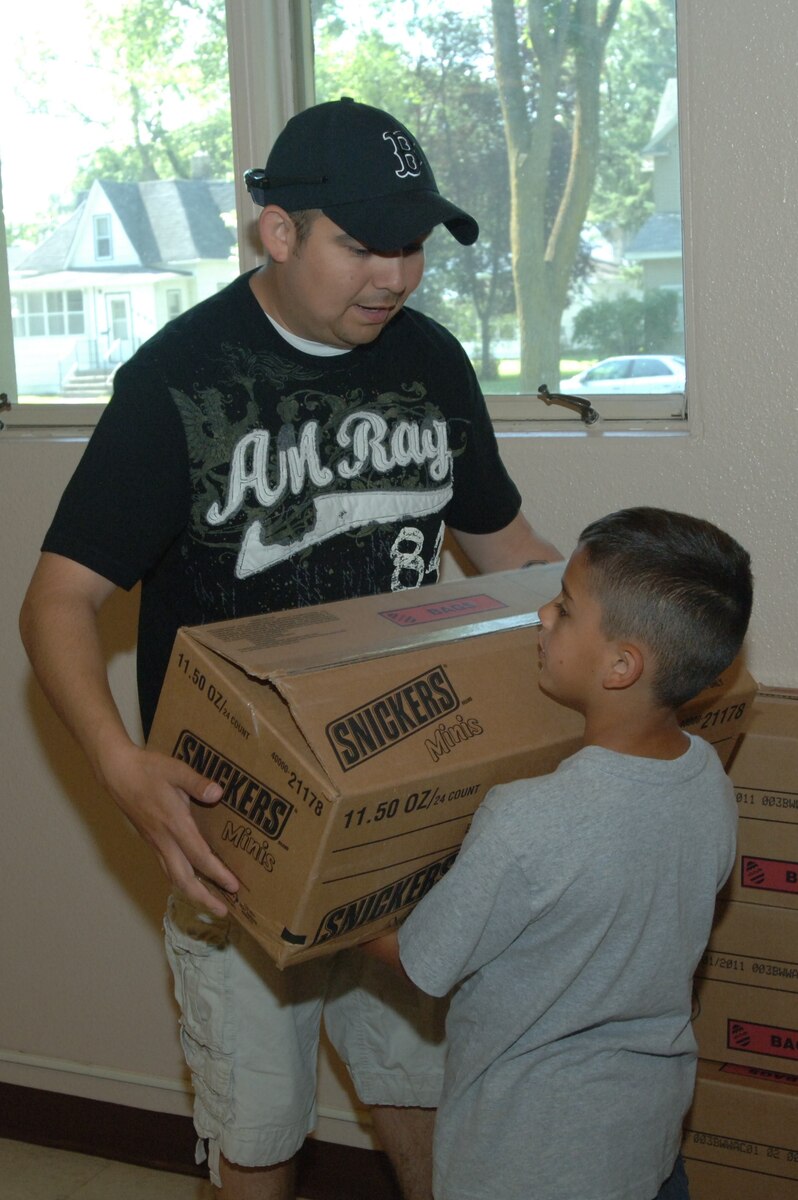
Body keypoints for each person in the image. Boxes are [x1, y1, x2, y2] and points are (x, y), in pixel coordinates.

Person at [18, 96, 561, 1200]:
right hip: (240, 828)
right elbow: (56, 603)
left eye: (412, 247)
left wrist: (633, 649)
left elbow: (512, 552)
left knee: (429, 1089)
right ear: (280, 231)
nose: (396, 276)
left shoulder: (431, 362)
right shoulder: (179, 382)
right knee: (259, 1125)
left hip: (408, 805)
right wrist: (121, 767)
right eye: (363, 245)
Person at [365, 506, 754, 1200]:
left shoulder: (526, 817)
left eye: (566, 609)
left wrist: (337, 911)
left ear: (621, 665)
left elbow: (424, 963)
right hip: (644, 1142)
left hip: (524, 1158)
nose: (543, 616)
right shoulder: (708, 780)